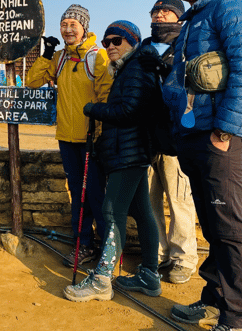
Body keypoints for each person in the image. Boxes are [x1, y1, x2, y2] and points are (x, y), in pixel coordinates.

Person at [161, 0, 242, 331]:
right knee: (212, 223)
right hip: (193, 136)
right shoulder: (189, 22)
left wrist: (224, 131)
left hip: (218, 137)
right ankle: (214, 298)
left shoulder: (231, 8)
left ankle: (237, 319)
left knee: (229, 226)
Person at [63, 21, 162, 302]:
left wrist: (94, 109)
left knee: (111, 211)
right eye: (107, 42)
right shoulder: (131, 68)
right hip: (131, 151)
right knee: (141, 210)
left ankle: (102, 279)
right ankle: (149, 276)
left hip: (128, 152)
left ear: (132, 41)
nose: (110, 47)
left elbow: (130, 110)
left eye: (117, 41)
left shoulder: (136, 68)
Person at [26, 4, 112, 267]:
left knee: (96, 196)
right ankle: (83, 244)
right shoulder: (60, 58)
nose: (68, 29)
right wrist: (47, 53)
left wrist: (98, 130)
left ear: (84, 26)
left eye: (73, 24)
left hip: (91, 139)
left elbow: (106, 96)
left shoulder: (98, 56)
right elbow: (32, 81)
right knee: (78, 194)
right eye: (64, 24)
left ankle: (107, 248)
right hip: (67, 138)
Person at [140, 0, 199, 284]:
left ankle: (183, 259)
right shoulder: (144, 48)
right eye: (155, 11)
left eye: (166, 11)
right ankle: (157, 255)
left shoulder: (187, 45)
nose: (159, 15)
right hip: (146, 136)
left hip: (176, 137)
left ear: (179, 15)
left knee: (179, 201)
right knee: (149, 202)